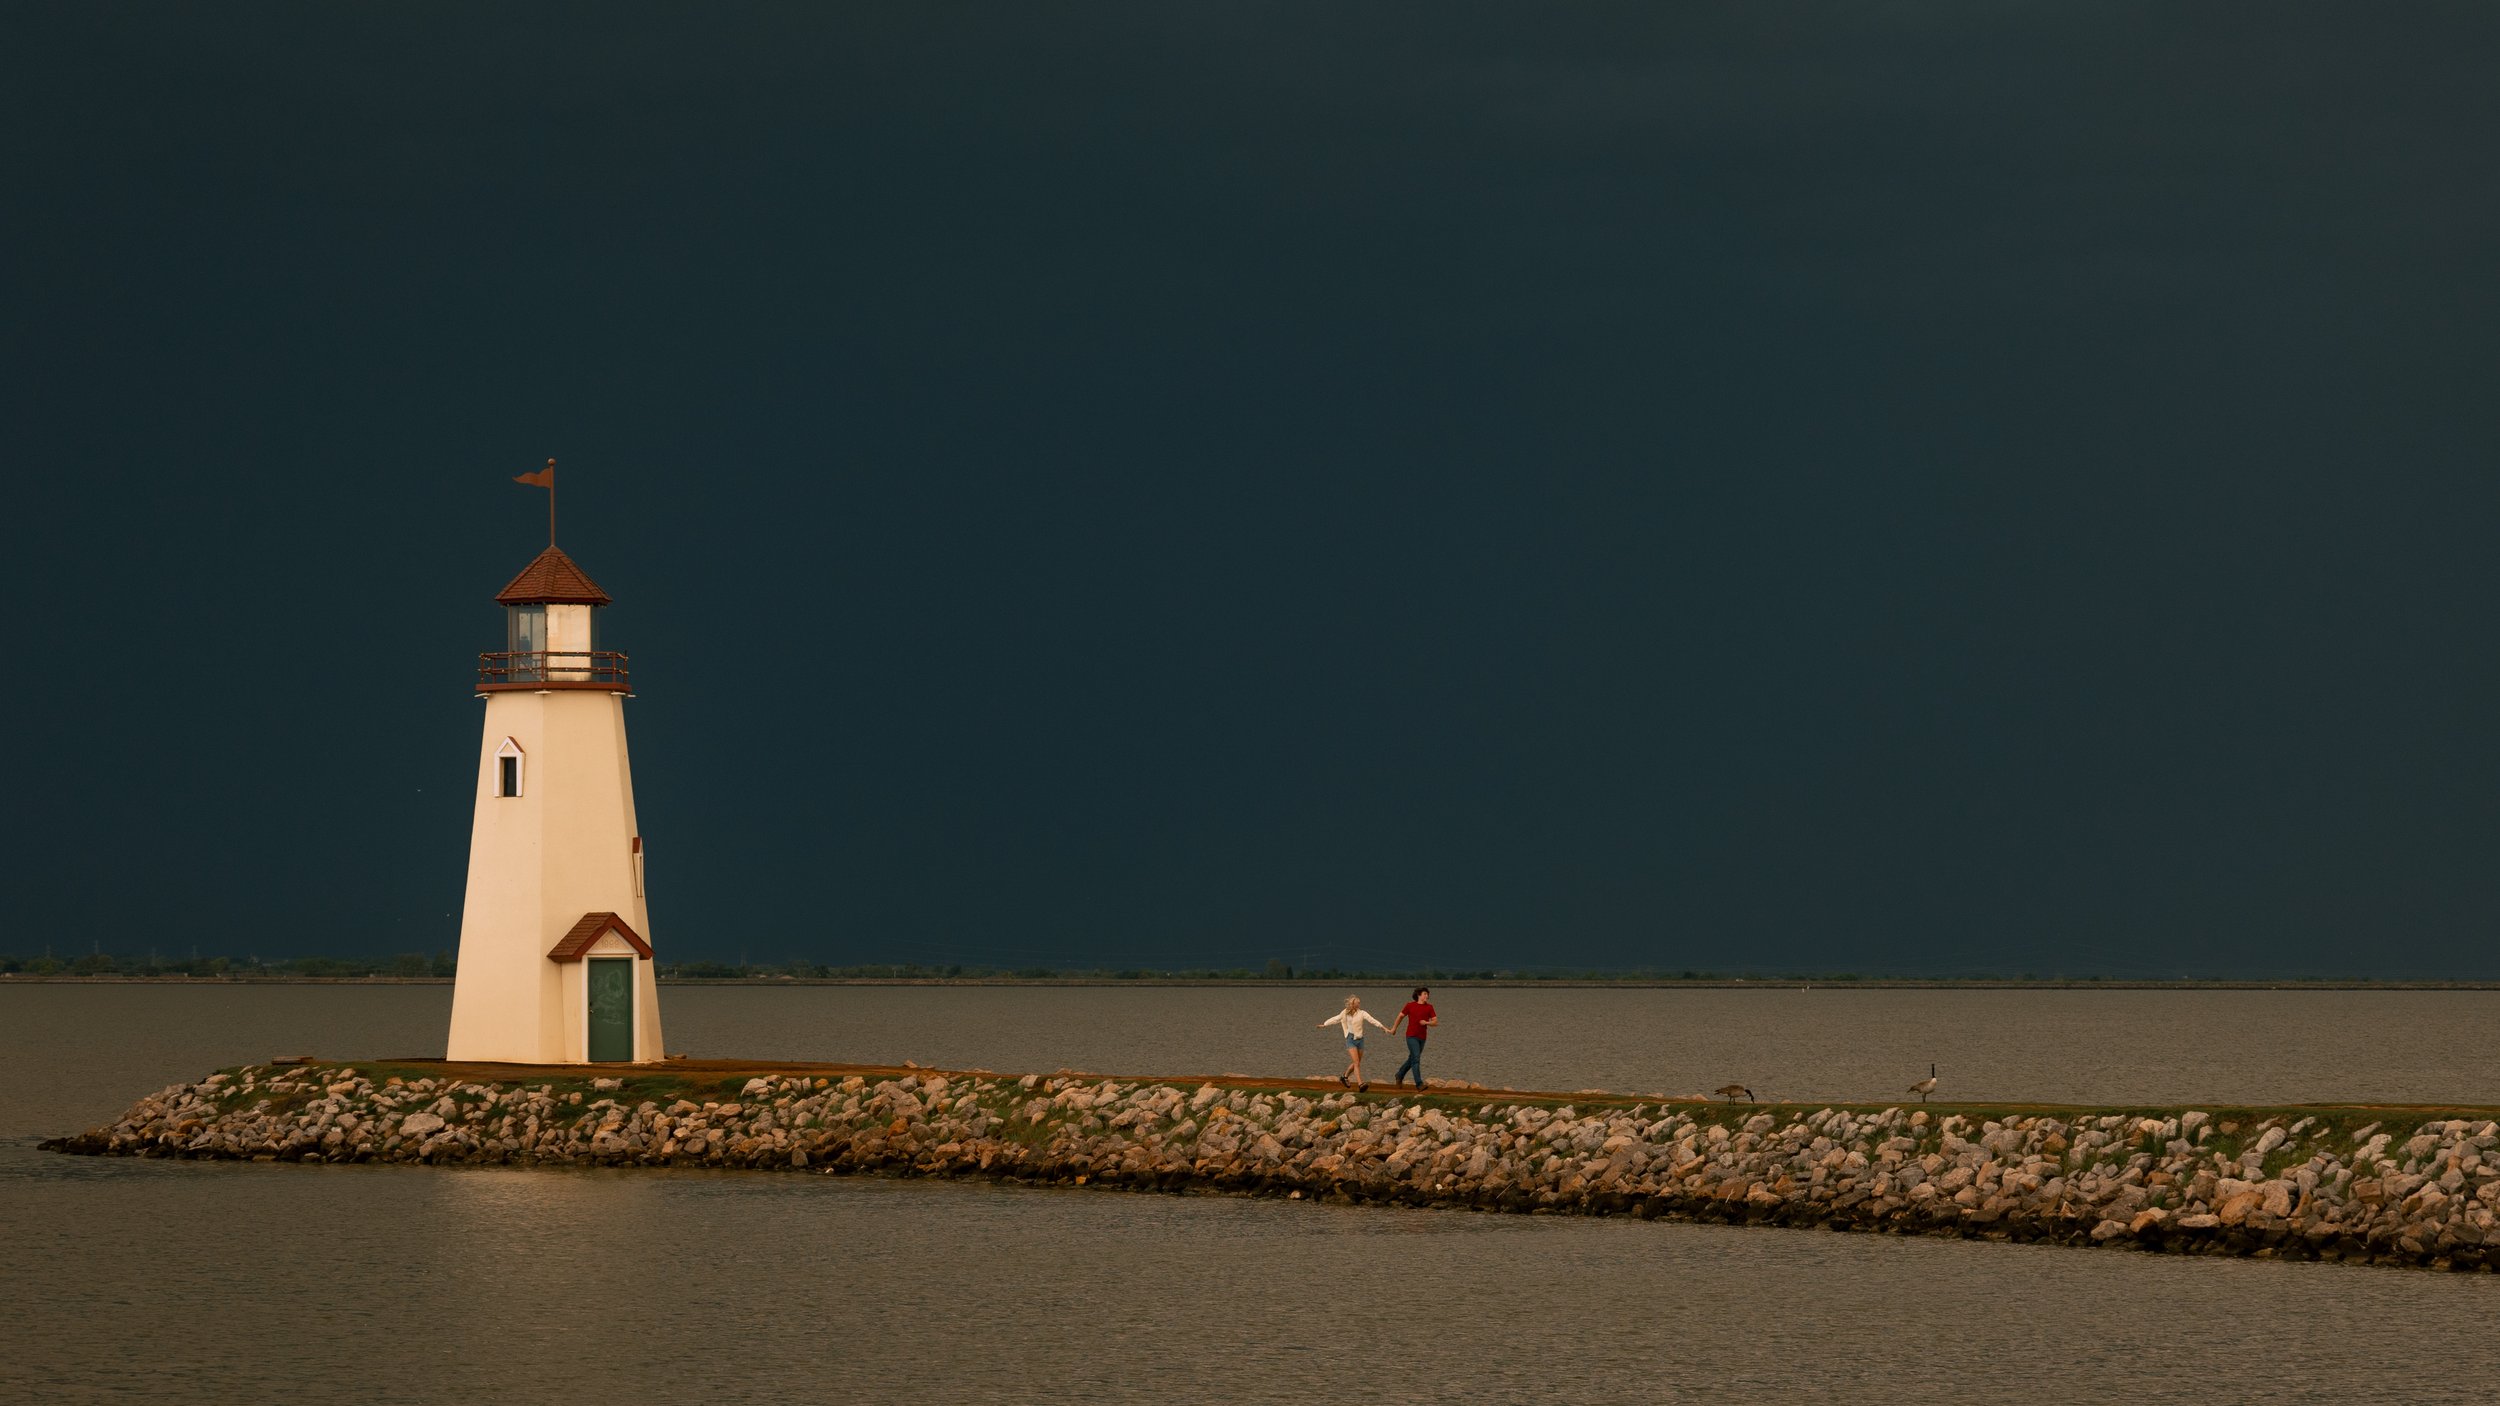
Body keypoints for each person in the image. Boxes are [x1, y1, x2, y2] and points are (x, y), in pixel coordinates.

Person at [1319, 995, 1388, 1089]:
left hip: (1360, 1039)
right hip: (1350, 1039)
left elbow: (1372, 1020)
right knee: (1356, 1063)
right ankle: (1360, 1084)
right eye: (1358, 1002)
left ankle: (1344, 1076)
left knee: (1358, 1062)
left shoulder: (1362, 1013)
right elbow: (1336, 1019)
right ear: (1353, 1004)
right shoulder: (1345, 1013)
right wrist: (1325, 1024)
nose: (1359, 1004)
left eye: (1359, 1002)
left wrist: (1382, 1027)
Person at [1389, 986, 1437, 1089]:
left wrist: (1427, 1022)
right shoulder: (1410, 1005)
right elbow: (1400, 1016)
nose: (1427, 996)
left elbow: (1435, 1022)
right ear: (1419, 995)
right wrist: (1394, 1028)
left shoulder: (1429, 1007)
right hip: (1411, 1036)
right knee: (1416, 1058)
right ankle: (1419, 1084)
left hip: (1422, 1037)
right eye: (1425, 994)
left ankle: (1399, 1074)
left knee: (1412, 1058)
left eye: (1427, 994)